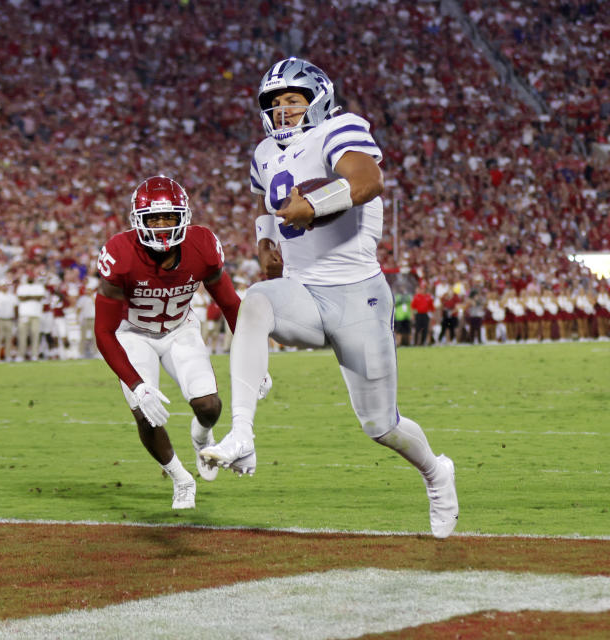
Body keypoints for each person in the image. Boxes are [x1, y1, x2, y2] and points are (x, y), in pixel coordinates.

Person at [199, 58, 458, 538]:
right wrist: (265, 239)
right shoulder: (263, 154)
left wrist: (311, 206)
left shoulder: (340, 127)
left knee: (381, 426)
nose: (282, 113)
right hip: (304, 292)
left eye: (293, 102)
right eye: (274, 105)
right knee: (254, 299)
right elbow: (271, 207)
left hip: (359, 297)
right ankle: (242, 432)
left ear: (318, 98)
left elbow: (367, 180)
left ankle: (435, 472)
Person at [93, 175, 244, 510]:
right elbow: (103, 332)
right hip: (133, 334)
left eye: (169, 217)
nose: (162, 225)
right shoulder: (120, 252)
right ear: (138, 221)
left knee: (209, 406)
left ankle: (202, 436)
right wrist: (136, 385)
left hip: (180, 329)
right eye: (153, 219)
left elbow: (231, 304)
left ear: (184, 217)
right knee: (146, 414)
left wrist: (255, 358)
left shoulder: (202, 244)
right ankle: (181, 478)